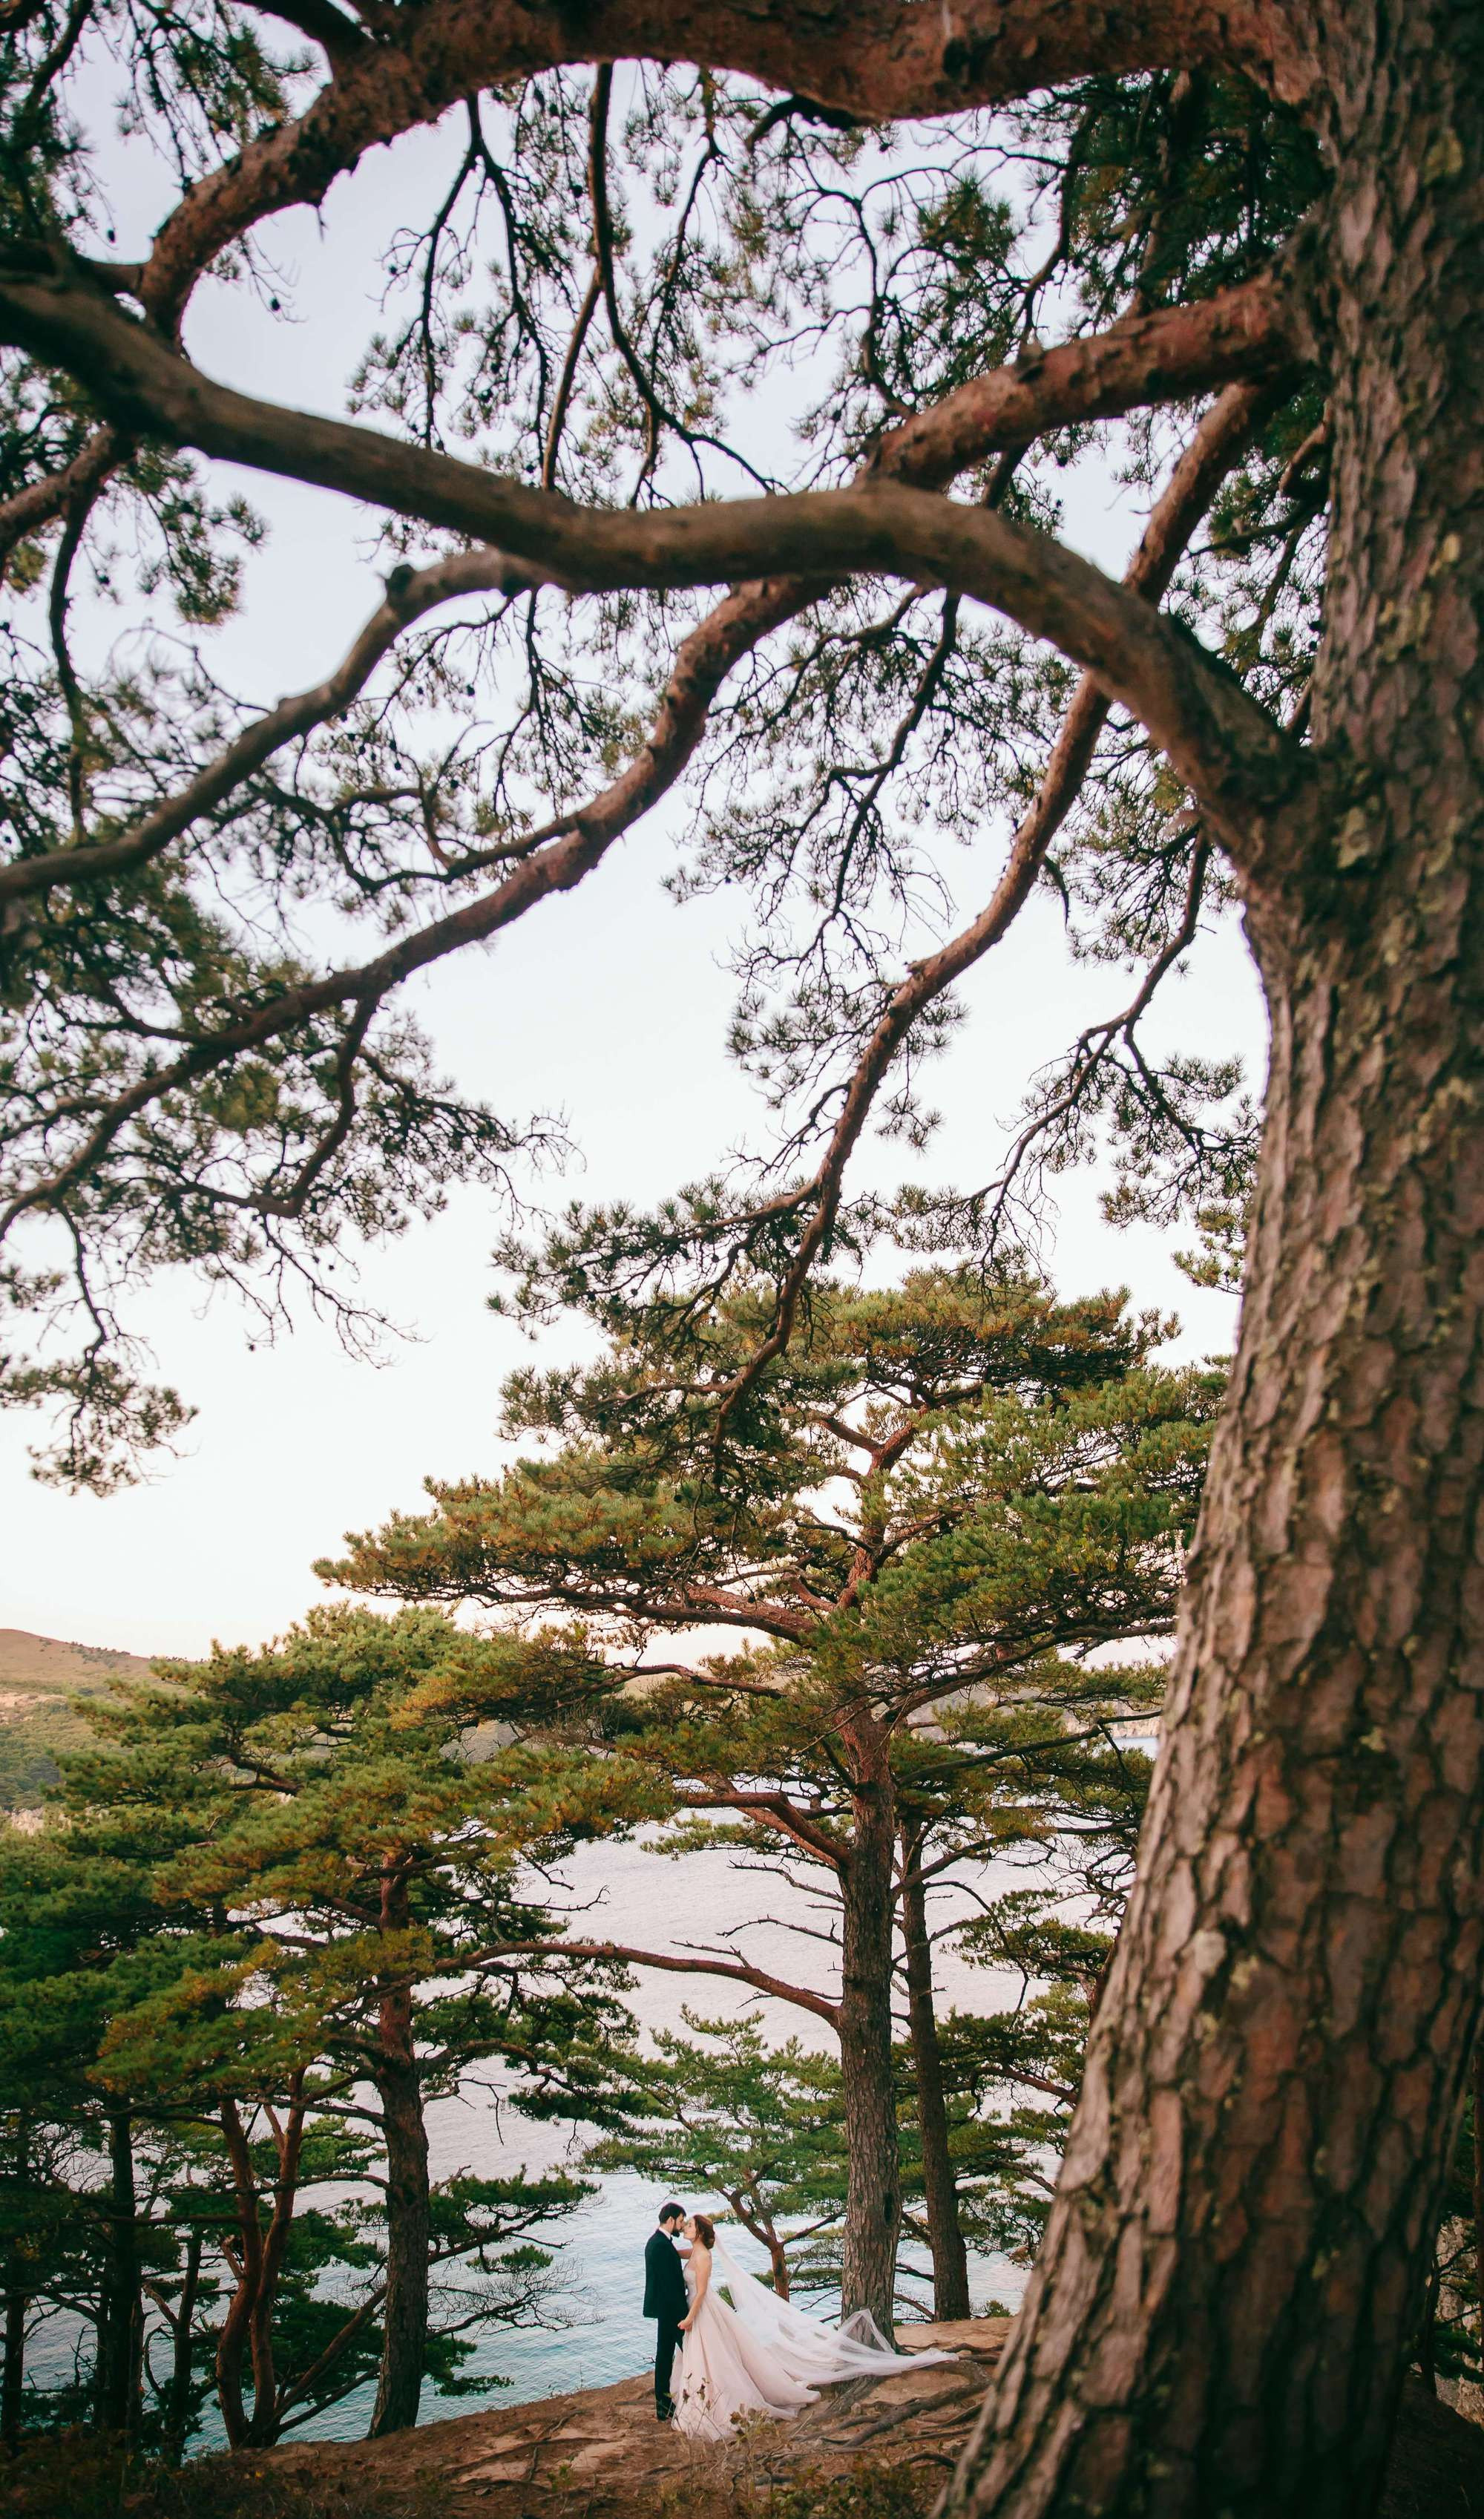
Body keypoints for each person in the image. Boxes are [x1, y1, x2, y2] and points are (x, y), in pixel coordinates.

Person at [672, 2212, 956, 2443]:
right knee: (705, 2358)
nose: (685, 2228)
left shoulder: (705, 2257)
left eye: (690, 2226)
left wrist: (689, 2319)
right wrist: (664, 2240)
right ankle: (701, 2400)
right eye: (685, 2225)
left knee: (716, 2359)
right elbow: (681, 2253)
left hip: (702, 2312)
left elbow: (700, 2293)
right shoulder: (694, 2252)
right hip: (700, 2313)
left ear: (699, 2232)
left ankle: (720, 2404)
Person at [643, 2200, 689, 2421]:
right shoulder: (660, 2245)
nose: (682, 2226)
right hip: (672, 2311)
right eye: (680, 2221)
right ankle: (667, 2404)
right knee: (690, 2352)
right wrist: (684, 2316)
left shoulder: (660, 2241)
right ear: (670, 2220)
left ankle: (664, 2406)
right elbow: (669, 2285)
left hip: (666, 2309)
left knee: (664, 2356)